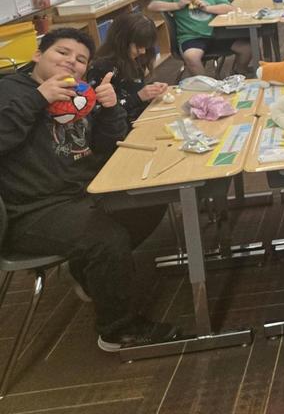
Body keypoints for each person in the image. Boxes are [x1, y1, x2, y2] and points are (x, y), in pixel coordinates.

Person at [0, 28, 177, 350]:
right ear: (38, 55)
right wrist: (39, 98)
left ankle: (88, 273)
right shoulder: (9, 90)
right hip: (30, 209)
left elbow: (106, 146)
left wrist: (109, 109)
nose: (71, 62)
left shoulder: (80, 93)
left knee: (152, 198)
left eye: (80, 59)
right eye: (62, 53)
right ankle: (118, 330)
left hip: (84, 191)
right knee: (105, 238)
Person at [148, 0, 251, 78]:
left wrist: (207, 8)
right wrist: (177, 5)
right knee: (191, 56)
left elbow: (229, 8)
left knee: (248, 47)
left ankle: (239, 71)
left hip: (217, 36)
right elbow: (152, 5)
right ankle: (207, 85)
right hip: (192, 37)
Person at [88, 13, 168, 121]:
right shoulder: (101, 67)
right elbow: (99, 112)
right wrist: (139, 97)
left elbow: (131, 88)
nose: (143, 51)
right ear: (122, 41)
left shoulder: (135, 58)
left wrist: (150, 90)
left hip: (142, 116)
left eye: (146, 46)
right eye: (139, 46)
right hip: (121, 128)